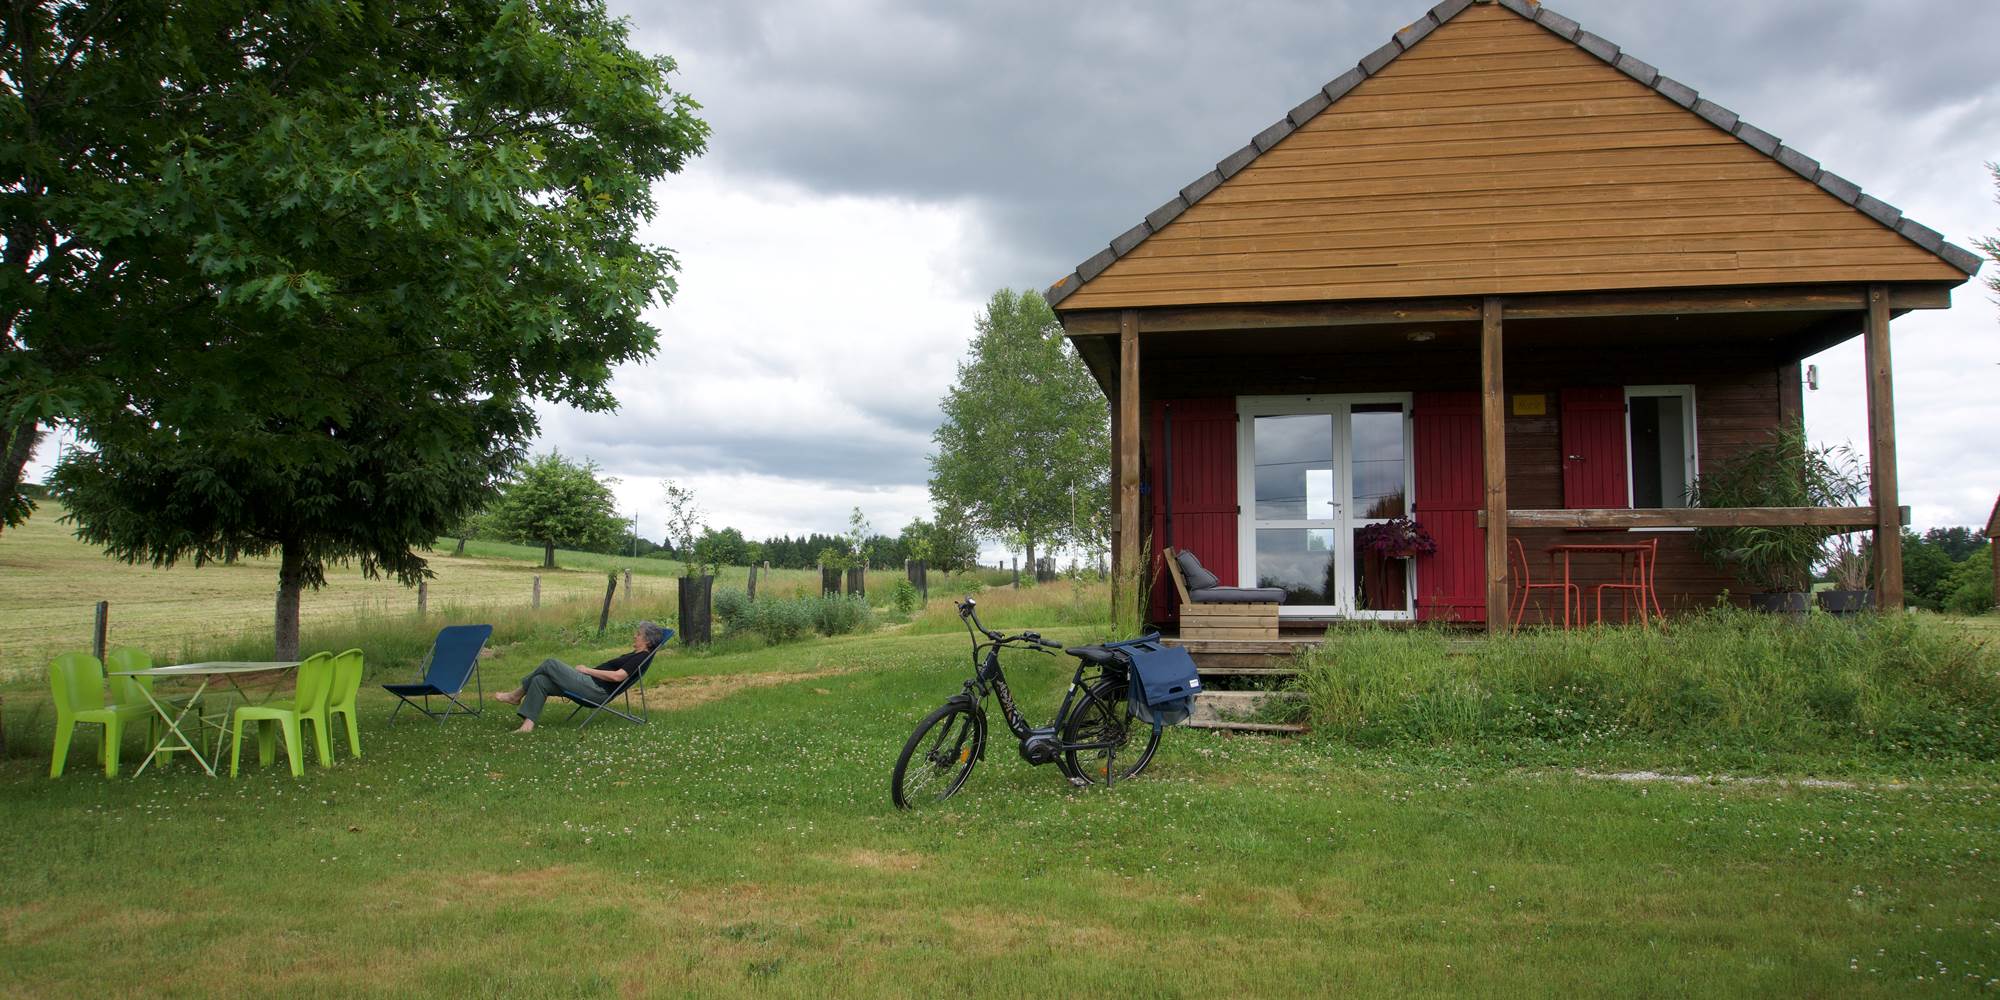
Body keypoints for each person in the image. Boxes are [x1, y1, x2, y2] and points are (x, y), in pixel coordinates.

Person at [494, 621, 665, 732]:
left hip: (594, 690)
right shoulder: (636, 654)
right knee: (541, 681)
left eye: (638, 634)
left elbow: (618, 677)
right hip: (590, 686)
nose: (635, 636)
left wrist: (587, 670)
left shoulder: (641, 657)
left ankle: (515, 695)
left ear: (648, 641)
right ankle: (527, 725)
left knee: (550, 664)